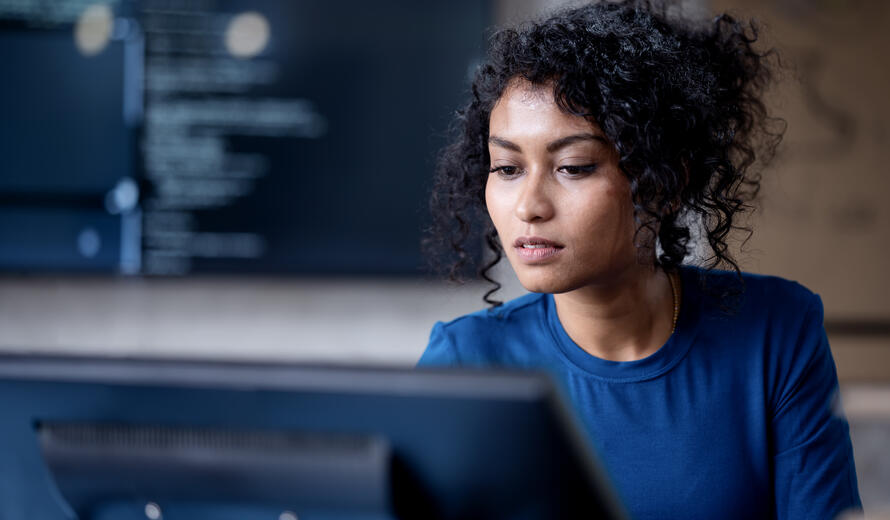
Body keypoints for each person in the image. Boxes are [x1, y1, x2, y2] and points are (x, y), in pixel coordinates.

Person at [416, 1, 862, 518]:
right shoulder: (466, 362)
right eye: (508, 168)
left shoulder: (775, 331)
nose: (529, 207)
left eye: (574, 167)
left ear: (665, 182)